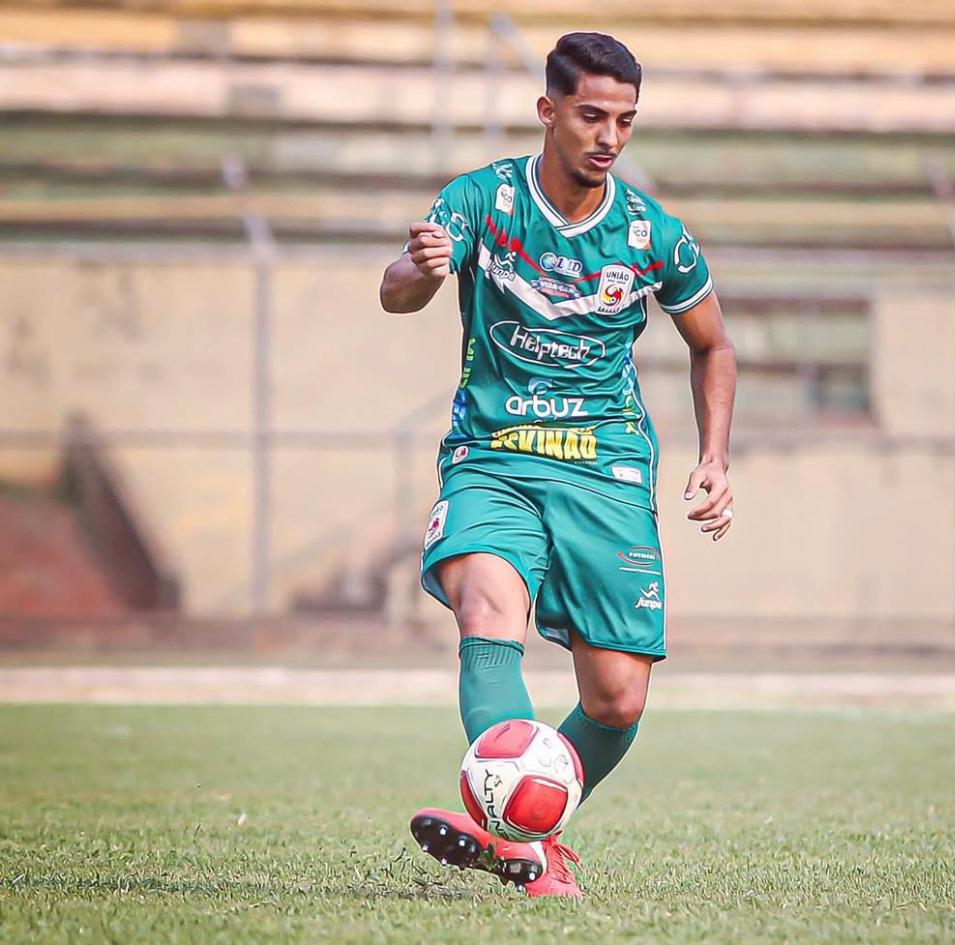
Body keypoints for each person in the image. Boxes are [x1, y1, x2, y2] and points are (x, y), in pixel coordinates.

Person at [379, 31, 736, 898]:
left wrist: (715, 455)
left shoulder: (654, 233)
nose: (609, 135)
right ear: (549, 111)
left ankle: (524, 825)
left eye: (625, 120)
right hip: (492, 456)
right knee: (486, 605)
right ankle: (523, 844)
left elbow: (713, 345)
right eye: (591, 115)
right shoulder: (482, 201)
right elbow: (397, 287)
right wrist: (422, 267)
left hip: (604, 467)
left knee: (616, 700)